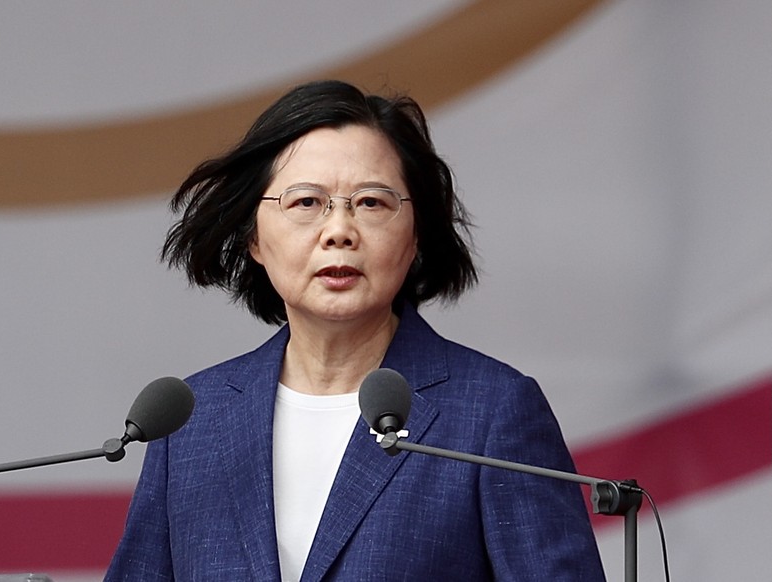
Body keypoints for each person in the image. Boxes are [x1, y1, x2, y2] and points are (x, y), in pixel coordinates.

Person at [105, 80, 605, 581]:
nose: (339, 230)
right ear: (253, 236)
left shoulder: (492, 414)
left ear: (415, 237)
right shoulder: (193, 421)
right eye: (305, 203)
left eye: (370, 202)